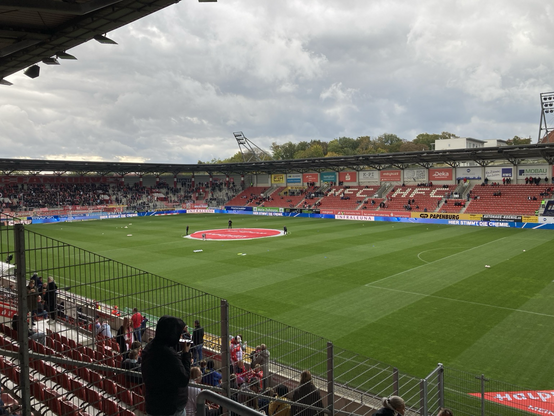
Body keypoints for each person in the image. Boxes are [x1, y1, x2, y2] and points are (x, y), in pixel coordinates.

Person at [142, 315, 192, 416]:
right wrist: (186, 355)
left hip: (153, 404)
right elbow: (183, 379)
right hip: (170, 409)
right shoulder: (168, 355)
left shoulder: (151, 347)